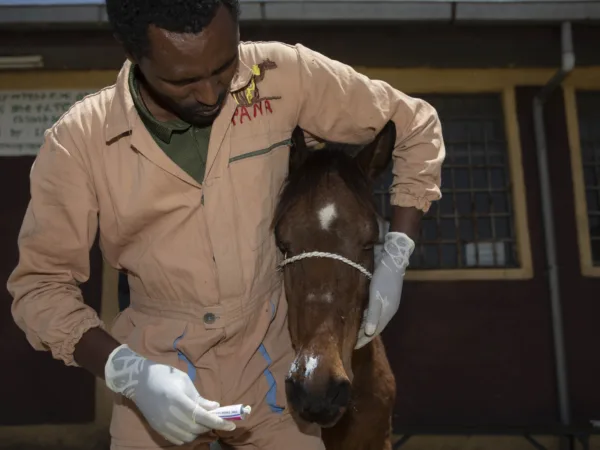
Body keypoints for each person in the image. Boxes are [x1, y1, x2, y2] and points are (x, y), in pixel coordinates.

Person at [6, 0, 445, 449]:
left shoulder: (280, 76)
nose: (211, 95)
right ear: (133, 54)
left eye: (224, 68)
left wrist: (395, 256)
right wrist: (129, 373)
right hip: (159, 368)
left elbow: (413, 125)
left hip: (274, 365)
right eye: (182, 81)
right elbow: (41, 288)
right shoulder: (78, 142)